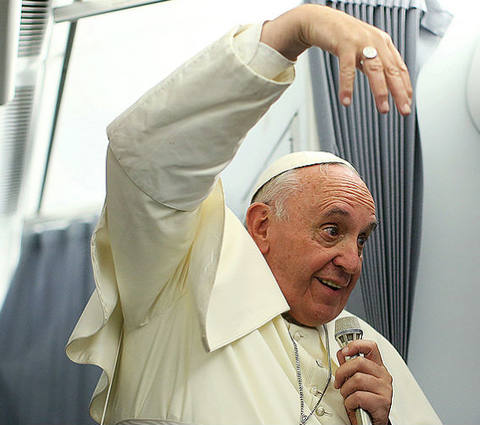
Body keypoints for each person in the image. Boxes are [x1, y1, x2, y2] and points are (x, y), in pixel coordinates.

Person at [65, 4, 440, 425]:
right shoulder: (184, 291)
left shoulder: (368, 349)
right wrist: (294, 30)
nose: (352, 262)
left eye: (362, 239)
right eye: (332, 230)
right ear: (262, 226)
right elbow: (147, 157)